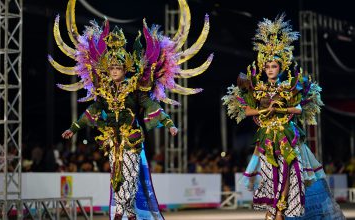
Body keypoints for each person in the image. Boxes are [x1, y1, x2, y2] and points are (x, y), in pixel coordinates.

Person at [49, 0, 212, 219]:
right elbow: (95, 108)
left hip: (132, 139)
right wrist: (74, 128)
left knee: (130, 176)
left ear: (125, 68)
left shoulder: (135, 87)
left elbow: (150, 105)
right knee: (116, 179)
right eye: (112, 67)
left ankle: (122, 212)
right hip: (111, 140)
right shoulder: (103, 88)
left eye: (118, 67)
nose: (115, 70)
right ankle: (127, 213)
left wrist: (169, 124)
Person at [222, 14, 344, 220]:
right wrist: (263, 112)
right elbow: (247, 111)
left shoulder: (288, 87)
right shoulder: (257, 89)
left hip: (288, 135)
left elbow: (297, 109)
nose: (270, 70)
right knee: (270, 174)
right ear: (263, 68)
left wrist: (278, 110)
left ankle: (281, 208)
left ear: (281, 68)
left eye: (274, 67)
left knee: (290, 171)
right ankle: (273, 208)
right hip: (266, 137)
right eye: (268, 67)